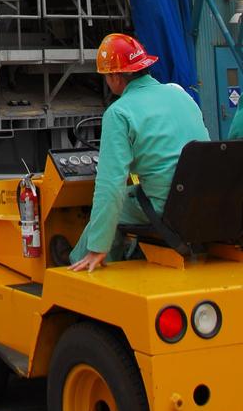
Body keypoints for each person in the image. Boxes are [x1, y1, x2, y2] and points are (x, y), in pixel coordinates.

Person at [70, 33, 209, 272]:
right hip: (206, 201)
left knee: (113, 208)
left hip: (167, 209)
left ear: (114, 77)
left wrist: (97, 246)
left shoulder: (119, 113)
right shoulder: (180, 94)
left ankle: (80, 265)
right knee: (132, 195)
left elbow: (109, 186)